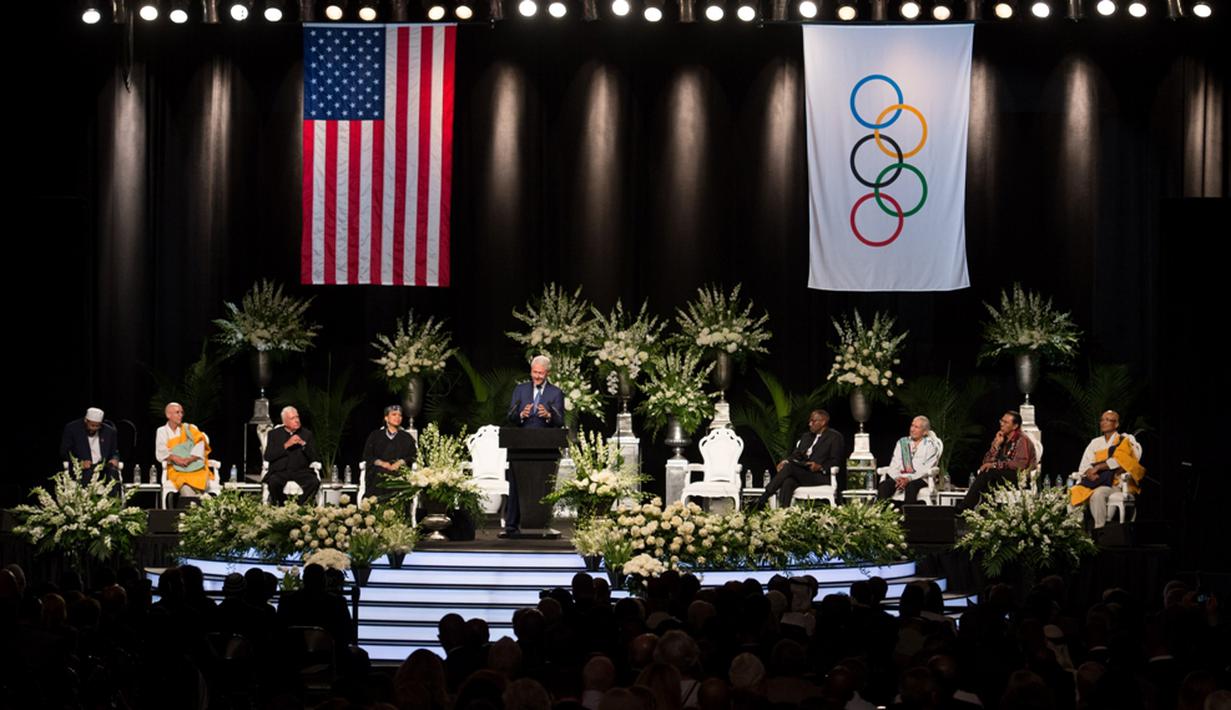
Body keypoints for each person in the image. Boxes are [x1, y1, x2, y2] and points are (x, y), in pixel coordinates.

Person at [504, 355, 565, 534]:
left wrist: (548, 416)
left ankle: (543, 524)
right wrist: (521, 414)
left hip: (546, 448)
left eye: (540, 373)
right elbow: (510, 416)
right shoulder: (520, 390)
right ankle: (511, 526)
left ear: (548, 373)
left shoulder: (556, 393)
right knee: (516, 485)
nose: (537, 376)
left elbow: (560, 420)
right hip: (521, 446)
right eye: (534, 372)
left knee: (543, 487)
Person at [755, 410, 845, 509]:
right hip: (804, 473)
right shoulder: (806, 437)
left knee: (790, 468)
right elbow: (796, 455)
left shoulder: (834, 437)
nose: (810, 424)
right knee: (788, 481)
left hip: (821, 476)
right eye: (810, 421)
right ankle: (783, 513)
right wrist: (786, 461)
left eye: (813, 421)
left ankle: (763, 499)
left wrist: (820, 467)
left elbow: (836, 460)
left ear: (823, 422)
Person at [1069, 410, 1144, 529]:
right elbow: (1084, 465)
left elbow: (1120, 462)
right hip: (1095, 481)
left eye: (1108, 420)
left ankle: (1100, 530)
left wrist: (1098, 467)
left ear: (1116, 424)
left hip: (1114, 484)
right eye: (1102, 420)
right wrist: (1089, 472)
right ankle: (1077, 530)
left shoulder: (1124, 441)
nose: (1104, 422)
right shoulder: (1095, 442)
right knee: (1072, 492)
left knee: (1098, 494)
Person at [962, 410, 1037, 508]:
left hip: (1020, 478)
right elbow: (986, 463)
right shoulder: (1002, 439)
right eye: (1001, 421)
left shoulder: (1022, 440)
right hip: (1002, 475)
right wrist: (996, 445)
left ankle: (965, 507)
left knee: (990, 472)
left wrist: (995, 465)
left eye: (1006, 422)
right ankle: (984, 511)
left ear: (1015, 426)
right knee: (988, 474)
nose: (1002, 424)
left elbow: (1019, 465)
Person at [876, 416, 942, 504]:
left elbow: (926, 468)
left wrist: (909, 478)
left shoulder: (930, 445)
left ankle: (907, 514)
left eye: (916, 427)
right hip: (900, 477)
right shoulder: (902, 442)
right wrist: (897, 478)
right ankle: (883, 514)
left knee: (910, 486)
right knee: (884, 486)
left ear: (925, 432)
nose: (912, 429)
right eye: (912, 426)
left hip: (920, 478)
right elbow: (895, 464)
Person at [154, 402, 213, 499]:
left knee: (201, 482)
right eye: (177, 412)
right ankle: (195, 509)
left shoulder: (190, 428)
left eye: (182, 412)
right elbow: (161, 451)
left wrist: (190, 459)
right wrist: (176, 458)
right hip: (176, 469)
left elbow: (201, 442)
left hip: (195, 467)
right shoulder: (162, 431)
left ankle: (202, 508)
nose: (181, 415)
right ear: (168, 415)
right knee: (186, 490)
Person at [263, 406, 321, 505]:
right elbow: (268, 456)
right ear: (285, 422)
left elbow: (314, 457)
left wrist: (303, 444)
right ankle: (281, 505)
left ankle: (298, 505)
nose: (297, 420)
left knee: (314, 482)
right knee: (273, 482)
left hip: (301, 471)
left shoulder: (307, 434)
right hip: (280, 471)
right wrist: (286, 445)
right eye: (292, 418)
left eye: (297, 417)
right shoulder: (274, 434)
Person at [361, 404, 417, 502]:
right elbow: (367, 455)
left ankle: (398, 510)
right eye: (394, 414)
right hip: (379, 471)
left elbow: (413, 455)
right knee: (380, 474)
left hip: (399, 471)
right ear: (386, 418)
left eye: (400, 415)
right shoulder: (375, 436)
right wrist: (382, 463)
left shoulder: (407, 437)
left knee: (398, 477)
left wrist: (400, 463)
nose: (397, 417)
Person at [59, 407, 120, 483]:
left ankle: (114, 495)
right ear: (85, 421)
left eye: (97, 426)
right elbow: (65, 451)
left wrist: (114, 459)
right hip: (83, 468)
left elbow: (114, 452)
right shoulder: (72, 429)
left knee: (113, 473)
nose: (94, 428)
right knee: (88, 474)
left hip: (103, 467)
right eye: (92, 425)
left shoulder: (109, 431)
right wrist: (79, 463)